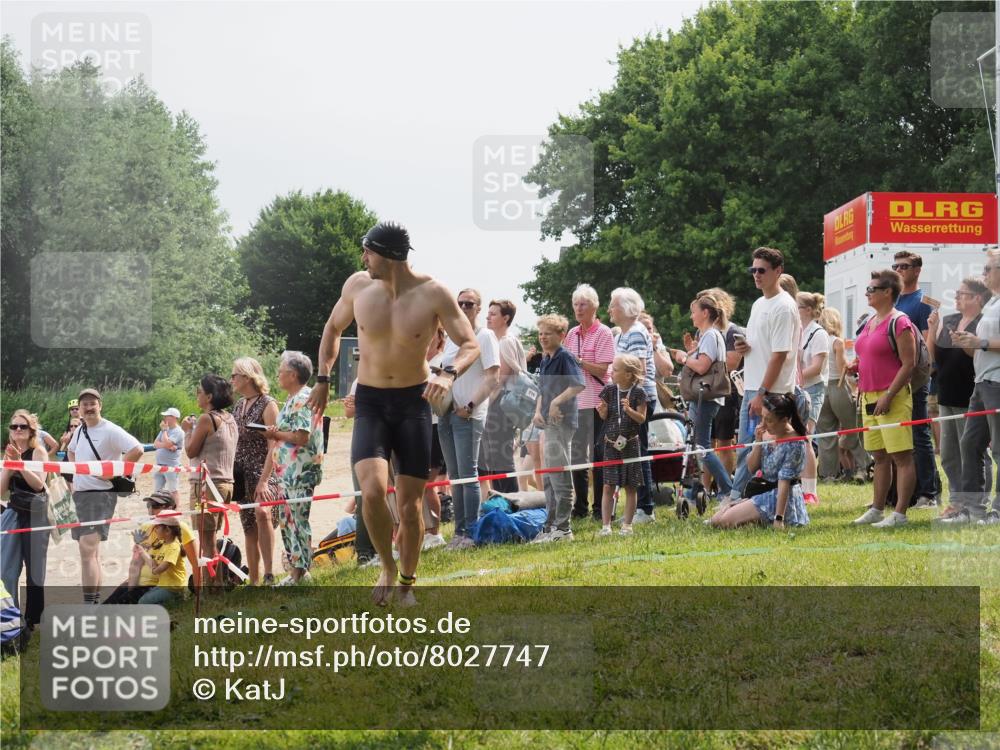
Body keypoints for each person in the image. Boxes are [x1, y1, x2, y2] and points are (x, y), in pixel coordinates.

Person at [307, 221, 480, 605]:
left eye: (368, 252)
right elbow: (332, 329)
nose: (363, 259)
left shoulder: (433, 292)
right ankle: (386, 565)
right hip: (371, 402)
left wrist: (448, 374)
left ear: (387, 255)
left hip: (412, 404)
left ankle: (406, 582)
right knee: (370, 491)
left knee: (409, 505)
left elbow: (470, 344)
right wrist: (322, 378)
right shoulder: (357, 286)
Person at [730, 248, 800, 506]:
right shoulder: (759, 303)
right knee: (748, 447)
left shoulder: (784, 306)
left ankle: (741, 501)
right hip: (753, 387)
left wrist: (761, 393)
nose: (756, 275)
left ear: (778, 271)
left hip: (771, 391)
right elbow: (761, 346)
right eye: (753, 270)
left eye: (762, 270)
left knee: (766, 451)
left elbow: (779, 356)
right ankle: (741, 499)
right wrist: (743, 347)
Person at [850, 270, 918, 528]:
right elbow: (870, 354)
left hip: (892, 397)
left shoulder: (900, 322)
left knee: (901, 457)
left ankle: (900, 514)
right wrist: (856, 365)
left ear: (888, 292)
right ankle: (877, 509)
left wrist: (889, 395)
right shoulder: (871, 320)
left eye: (871, 289)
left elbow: (909, 364)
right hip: (868, 396)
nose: (867, 293)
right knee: (879, 456)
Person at [67, 388, 143, 604]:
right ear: (80, 409)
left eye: (93, 403)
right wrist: (76, 470)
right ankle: (93, 602)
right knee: (90, 552)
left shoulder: (110, 429)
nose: (89, 407)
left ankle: (89, 605)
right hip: (80, 495)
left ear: (100, 405)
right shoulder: (80, 430)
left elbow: (137, 449)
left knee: (87, 549)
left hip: (100, 496)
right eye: (84, 404)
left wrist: (116, 471)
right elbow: (71, 450)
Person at [437, 289, 500, 550]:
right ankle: (459, 532)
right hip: (446, 412)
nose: (463, 307)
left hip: (468, 414)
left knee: (468, 474)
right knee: (455, 476)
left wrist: (471, 405)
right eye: (460, 303)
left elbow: (493, 377)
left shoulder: (485, 336)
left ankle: (470, 532)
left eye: (469, 304)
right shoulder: (452, 338)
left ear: (478, 308)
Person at [929, 278, 990, 521]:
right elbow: (933, 358)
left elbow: (980, 356)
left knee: (972, 453)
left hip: (971, 395)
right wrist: (933, 330)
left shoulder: (983, 322)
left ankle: (976, 502)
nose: (956, 297)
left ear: (977, 298)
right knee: (948, 454)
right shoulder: (950, 320)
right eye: (957, 293)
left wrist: (965, 344)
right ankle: (956, 501)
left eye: (962, 293)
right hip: (946, 394)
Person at [262, 351, 325, 585]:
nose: (277, 375)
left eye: (281, 371)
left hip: (300, 472)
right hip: (288, 474)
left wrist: (274, 434)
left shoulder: (303, 398)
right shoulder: (292, 398)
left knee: (297, 522)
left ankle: (302, 572)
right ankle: (295, 572)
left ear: (293, 375)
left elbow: (301, 437)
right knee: (287, 522)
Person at [709, 393, 810, 529]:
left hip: (781, 497)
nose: (764, 424)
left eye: (769, 420)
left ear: (784, 420)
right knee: (716, 519)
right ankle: (751, 519)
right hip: (763, 491)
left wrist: (779, 518)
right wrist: (758, 442)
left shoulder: (795, 443)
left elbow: (784, 481)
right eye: (762, 418)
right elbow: (751, 467)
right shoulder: (768, 434)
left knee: (724, 521)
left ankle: (763, 519)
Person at [670, 295, 734, 500]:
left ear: (705, 313)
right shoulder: (711, 335)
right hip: (704, 397)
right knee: (699, 446)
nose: (691, 316)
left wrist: (684, 358)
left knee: (701, 447)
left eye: (694, 312)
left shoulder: (710, 335)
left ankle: (727, 490)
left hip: (704, 397)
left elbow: (702, 366)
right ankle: (700, 491)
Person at [954, 251, 1000, 525]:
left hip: (997, 383)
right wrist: (969, 343)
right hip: (982, 383)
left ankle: (998, 511)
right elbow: (983, 346)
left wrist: (980, 342)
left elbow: (987, 344)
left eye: (988, 269)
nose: (983, 274)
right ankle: (972, 510)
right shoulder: (992, 302)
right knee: (970, 444)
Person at [530, 314, 584, 543]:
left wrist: (555, 403)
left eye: (548, 334)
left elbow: (578, 384)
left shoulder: (565, 357)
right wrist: (537, 411)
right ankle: (550, 526)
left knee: (559, 475)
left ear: (561, 335)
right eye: (541, 333)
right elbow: (541, 390)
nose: (543, 337)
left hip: (562, 421)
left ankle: (563, 528)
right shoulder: (545, 359)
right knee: (549, 477)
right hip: (546, 423)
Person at [891, 251, 939, 507]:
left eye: (904, 266)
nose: (898, 270)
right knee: (897, 437)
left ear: (917, 270)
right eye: (895, 266)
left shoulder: (923, 302)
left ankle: (928, 492)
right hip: (893, 378)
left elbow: (927, 345)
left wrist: (922, 376)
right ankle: (899, 493)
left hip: (916, 379)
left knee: (920, 434)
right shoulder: (893, 299)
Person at [565, 284, 615, 519]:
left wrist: (579, 361)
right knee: (577, 457)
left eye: (583, 304)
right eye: (575, 304)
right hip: (576, 404)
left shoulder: (604, 332)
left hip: (598, 403)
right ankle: (580, 507)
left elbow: (603, 370)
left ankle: (599, 508)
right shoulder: (571, 334)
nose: (578, 308)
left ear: (594, 306)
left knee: (599, 456)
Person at [608, 287, 658, 523]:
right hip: (626, 399)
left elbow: (639, 372)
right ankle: (636, 507)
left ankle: (645, 509)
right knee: (631, 452)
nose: (610, 309)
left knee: (638, 452)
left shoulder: (636, 333)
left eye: (614, 305)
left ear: (627, 309)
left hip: (638, 400)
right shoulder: (622, 335)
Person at [182, 374, 237, 586]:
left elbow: (191, 451)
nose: (197, 395)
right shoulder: (230, 418)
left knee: (206, 541)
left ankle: (211, 587)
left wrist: (188, 431)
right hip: (225, 483)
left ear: (209, 396)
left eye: (200, 391)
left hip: (207, 485)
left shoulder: (207, 419)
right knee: (212, 538)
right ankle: (217, 584)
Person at [230, 357, 280, 585]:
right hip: (242, 474)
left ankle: (269, 573)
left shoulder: (268, 404)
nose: (231, 379)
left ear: (248, 377)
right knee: (248, 525)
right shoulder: (239, 405)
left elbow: (274, 446)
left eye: (235, 375)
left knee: (262, 513)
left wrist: (264, 480)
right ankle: (254, 581)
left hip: (264, 470)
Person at [0, 410, 50, 629]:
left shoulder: (38, 452)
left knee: (35, 570)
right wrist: (9, 466)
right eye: (14, 426)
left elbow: (39, 485)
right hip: (13, 513)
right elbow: (1, 491)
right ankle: (10, 616)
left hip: (36, 515)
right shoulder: (8, 454)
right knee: (5, 568)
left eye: (23, 426)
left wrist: (20, 463)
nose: (18, 429)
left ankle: (32, 620)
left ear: (31, 430)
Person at [697, 287, 745, 491]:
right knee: (706, 444)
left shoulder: (733, 332)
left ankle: (724, 489)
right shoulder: (701, 332)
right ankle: (705, 488)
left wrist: (704, 364)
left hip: (726, 393)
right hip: (706, 392)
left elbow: (732, 363)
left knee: (724, 443)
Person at [596, 354, 647, 536]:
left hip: (630, 445)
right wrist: (602, 412)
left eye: (615, 369)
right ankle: (606, 526)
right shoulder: (609, 391)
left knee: (630, 486)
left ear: (628, 374)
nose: (611, 372)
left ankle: (627, 525)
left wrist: (629, 410)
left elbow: (641, 419)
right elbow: (605, 416)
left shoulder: (639, 393)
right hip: (611, 445)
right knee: (608, 486)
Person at [815, 307, 869, 482]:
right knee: (852, 430)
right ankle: (865, 464)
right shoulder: (837, 342)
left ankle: (828, 473)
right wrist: (849, 365)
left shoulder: (816, 340)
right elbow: (841, 369)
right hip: (837, 388)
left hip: (821, 388)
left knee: (826, 435)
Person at [480, 298, 526, 496]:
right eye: (488, 313)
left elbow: (498, 381)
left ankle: (511, 502)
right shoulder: (497, 341)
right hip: (499, 404)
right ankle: (501, 501)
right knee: (494, 457)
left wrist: (482, 405)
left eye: (493, 314)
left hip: (502, 404)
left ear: (505, 318)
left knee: (501, 458)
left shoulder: (506, 341)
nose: (488, 317)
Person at [105, 513, 186, 605]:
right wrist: (139, 544)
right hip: (162, 585)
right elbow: (150, 560)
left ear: (167, 530)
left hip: (171, 587)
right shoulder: (162, 543)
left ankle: (176, 598)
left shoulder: (173, 547)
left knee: (141, 601)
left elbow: (157, 570)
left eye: (157, 527)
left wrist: (146, 557)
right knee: (117, 596)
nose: (154, 529)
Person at [796, 292, 830, 503]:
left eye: (797, 307)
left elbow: (817, 367)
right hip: (798, 388)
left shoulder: (819, 334)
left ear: (808, 310)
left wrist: (794, 376)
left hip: (813, 389)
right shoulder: (797, 331)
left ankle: (810, 490)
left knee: (806, 437)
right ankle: (797, 486)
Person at [423, 328, 449, 550]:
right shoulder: (416, 361)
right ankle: (425, 530)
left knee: (428, 483)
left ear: (439, 337)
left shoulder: (443, 360)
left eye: (430, 332)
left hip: (435, 424)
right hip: (416, 424)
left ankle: (434, 533)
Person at [153, 408, 185, 499]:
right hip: (159, 464)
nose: (164, 418)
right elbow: (155, 444)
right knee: (157, 491)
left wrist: (164, 432)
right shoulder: (165, 430)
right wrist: (168, 446)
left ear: (174, 417)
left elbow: (166, 443)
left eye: (167, 416)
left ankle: (176, 507)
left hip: (171, 466)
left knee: (173, 490)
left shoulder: (178, 431)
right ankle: (159, 507)